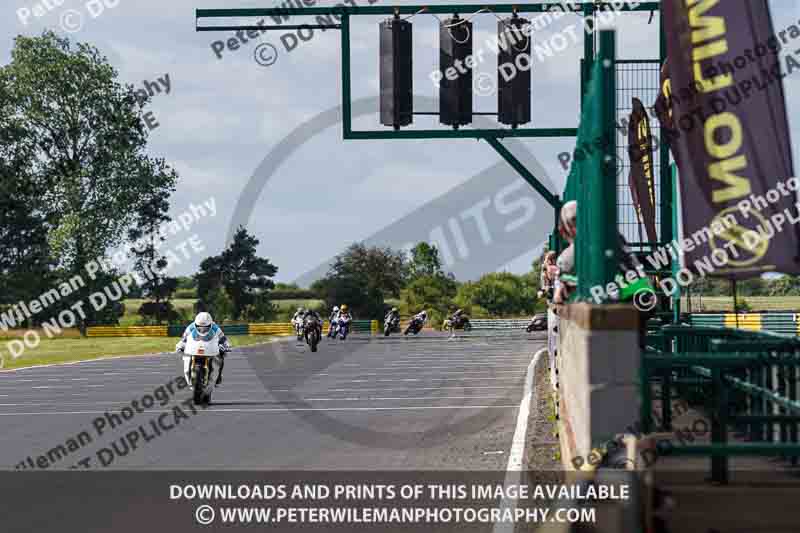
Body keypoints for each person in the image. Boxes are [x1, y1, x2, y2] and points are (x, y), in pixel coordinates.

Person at [175, 312, 231, 387]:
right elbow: (183, 339)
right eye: (199, 327)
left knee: (221, 356)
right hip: (195, 348)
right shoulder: (190, 327)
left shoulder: (215, 328)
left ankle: (219, 377)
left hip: (210, 348)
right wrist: (180, 345)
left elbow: (223, 339)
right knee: (185, 356)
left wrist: (225, 346)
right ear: (196, 324)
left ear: (210, 324)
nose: (202, 329)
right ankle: (190, 375)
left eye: (205, 327)